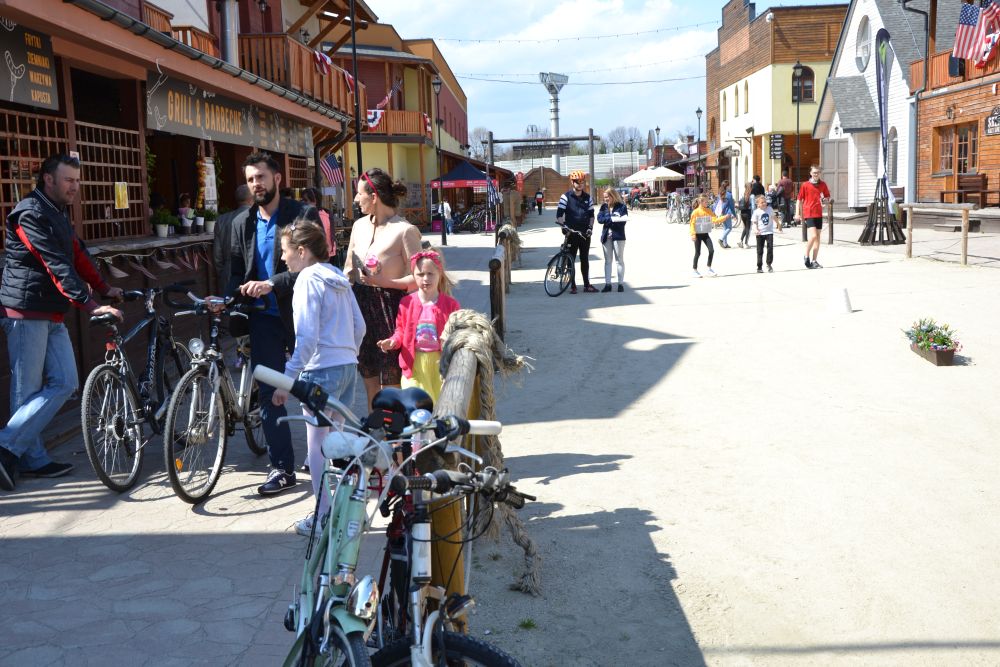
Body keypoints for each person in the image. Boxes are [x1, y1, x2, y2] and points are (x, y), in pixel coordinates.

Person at [0, 154, 124, 491]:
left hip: (52, 309)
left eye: (77, 181)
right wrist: (90, 304)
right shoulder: (28, 212)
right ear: (48, 179)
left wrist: (103, 287)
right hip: (26, 310)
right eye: (69, 180)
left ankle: (13, 450)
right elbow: (53, 262)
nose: (75, 187)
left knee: (66, 381)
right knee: (26, 392)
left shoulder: (56, 212)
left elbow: (76, 254)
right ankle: (29, 458)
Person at [228, 152, 320, 496]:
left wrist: (273, 284)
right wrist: (229, 297)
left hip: (302, 314)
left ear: (277, 179)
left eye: (261, 177)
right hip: (262, 318)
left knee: (312, 388)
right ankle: (282, 468)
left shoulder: (302, 214)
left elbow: (313, 265)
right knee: (269, 393)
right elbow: (236, 271)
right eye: (251, 179)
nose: (256, 185)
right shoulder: (243, 222)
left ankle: (320, 455)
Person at [271, 219, 365, 536]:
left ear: (301, 250)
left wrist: (287, 379)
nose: (283, 259)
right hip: (346, 366)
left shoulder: (307, 280)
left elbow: (307, 337)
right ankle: (351, 511)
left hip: (320, 370)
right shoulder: (337, 276)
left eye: (285, 252)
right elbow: (360, 327)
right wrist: (348, 353)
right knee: (337, 444)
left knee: (317, 449)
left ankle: (324, 516)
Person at [343, 168, 421, 410]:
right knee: (370, 384)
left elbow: (421, 279)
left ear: (374, 196)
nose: (356, 200)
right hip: (361, 309)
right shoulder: (358, 226)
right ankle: (378, 440)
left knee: (392, 386)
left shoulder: (405, 230)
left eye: (359, 195)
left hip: (392, 311)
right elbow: (348, 271)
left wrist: (385, 282)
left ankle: (397, 445)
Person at [377, 249, 460, 402]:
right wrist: (393, 342)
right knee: (417, 405)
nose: (425, 279)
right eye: (420, 274)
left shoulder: (451, 305)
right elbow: (400, 331)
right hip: (414, 364)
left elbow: (458, 334)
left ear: (439, 274)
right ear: (413, 276)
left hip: (440, 363)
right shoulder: (406, 302)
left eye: (430, 274)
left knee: (439, 405)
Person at [555, 169, 597, 293]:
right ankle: (572, 285)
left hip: (584, 233)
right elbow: (559, 214)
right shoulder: (565, 197)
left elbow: (591, 215)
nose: (580, 184)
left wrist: (590, 228)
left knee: (585, 259)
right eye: (577, 182)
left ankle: (587, 285)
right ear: (572, 183)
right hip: (571, 233)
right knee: (571, 259)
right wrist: (563, 226)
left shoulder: (587, 197)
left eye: (582, 182)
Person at [213, 184, 253, 292]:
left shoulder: (222, 220)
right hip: (253, 273)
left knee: (228, 306)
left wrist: (223, 273)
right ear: (251, 198)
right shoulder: (258, 217)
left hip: (228, 271)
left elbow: (217, 256)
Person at [794, 165, 831, 269]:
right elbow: (799, 200)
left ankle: (814, 260)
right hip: (809, 213)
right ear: (810, 173)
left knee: (818, 238)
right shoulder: (805, 185)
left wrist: (824, 201)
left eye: (818, 172)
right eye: (814, 172)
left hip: (818, 213)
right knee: (814, 236)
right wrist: (797, 213)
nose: (816, 174)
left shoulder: (823, 184)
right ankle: (806, 255)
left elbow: (827, 196)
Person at [597, 187, 628, 292]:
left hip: (618, 236)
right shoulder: (603, 207)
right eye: (604, 197)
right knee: (608, 261)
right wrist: (612, 219)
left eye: (607, 197)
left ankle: (620, 284)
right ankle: (608, 284)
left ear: (612, 196)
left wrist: (608, 220)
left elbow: (623, 222)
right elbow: (599, 219)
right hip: (606, 237)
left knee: (619, 261)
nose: (605, 199)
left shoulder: (622, 207)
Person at [689, 194, 726, 278]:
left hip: (705, 234)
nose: (707, 202)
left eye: (707, 201)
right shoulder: (695, 212)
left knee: (711, 250)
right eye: (706, 201)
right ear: (700, 202)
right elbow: (692, 224)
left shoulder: (708, 210)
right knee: (698, 253)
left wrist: (725, 217)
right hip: (697, 235)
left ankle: (709, 269)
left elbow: (715, 220)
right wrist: (693, 234)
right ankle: (694, 270)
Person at [300, 187, 335, 260]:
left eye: (305, 200)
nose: (303, 202)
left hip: (320, 254)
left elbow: (319, 237)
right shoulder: (322, 213)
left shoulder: (321, 215)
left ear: (314, 201)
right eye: (302, 200)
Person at [751, 194, 776, 273]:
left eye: (765, 202)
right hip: (760, 233)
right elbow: (754, 223)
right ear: (758, 204)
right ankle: (759, 266)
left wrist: (779, 225)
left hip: (769, 232)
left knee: (770, 248)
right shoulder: (756, 212)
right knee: (760, 250)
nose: (764, 203)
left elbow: (774, 217)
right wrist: (755, 230)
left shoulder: (770, 209)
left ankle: (769, 264)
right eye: (762, 202)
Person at [715, 181, 737, 249]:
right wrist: (734, 214)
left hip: (722, 213)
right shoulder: (728, 194)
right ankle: (721, 240)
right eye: (729, 185)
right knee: (729, 228)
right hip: (727, 213)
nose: (730, 187)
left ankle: (725, 244)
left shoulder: (720, 194)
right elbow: (731, 205)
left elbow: (718, 204)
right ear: (727, 186)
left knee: (725, 228)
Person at [738, 182, 753, 249]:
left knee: (745, 228)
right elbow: (753, 207)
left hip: (742, 212)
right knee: (748, 228)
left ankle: (741, 241)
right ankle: (746, 243)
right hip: (748, 213)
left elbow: (739, 202)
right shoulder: (751, 196)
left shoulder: (742, 194)